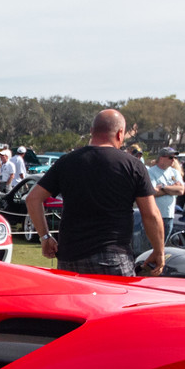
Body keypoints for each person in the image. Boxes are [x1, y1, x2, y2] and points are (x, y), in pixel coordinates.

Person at [26, 108, 163, 276]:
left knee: (73, 303)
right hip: (113, 257)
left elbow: (33, 198)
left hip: (70, 258)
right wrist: (158, 250)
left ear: (92, 131)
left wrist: (45, 237)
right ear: (120, 134)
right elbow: (150, 214)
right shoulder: (133, 165)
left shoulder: (67, 162)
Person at [147, 147, 185, 238]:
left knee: (163, 244)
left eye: (174, 158)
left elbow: (181, 190)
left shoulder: (175, 172)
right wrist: (172, 189)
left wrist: (163, 187)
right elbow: (152, 192)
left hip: (169, 215)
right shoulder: (151, 172)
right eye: (170, 157)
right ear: (161, 158)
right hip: (155, 215)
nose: (173, 160)